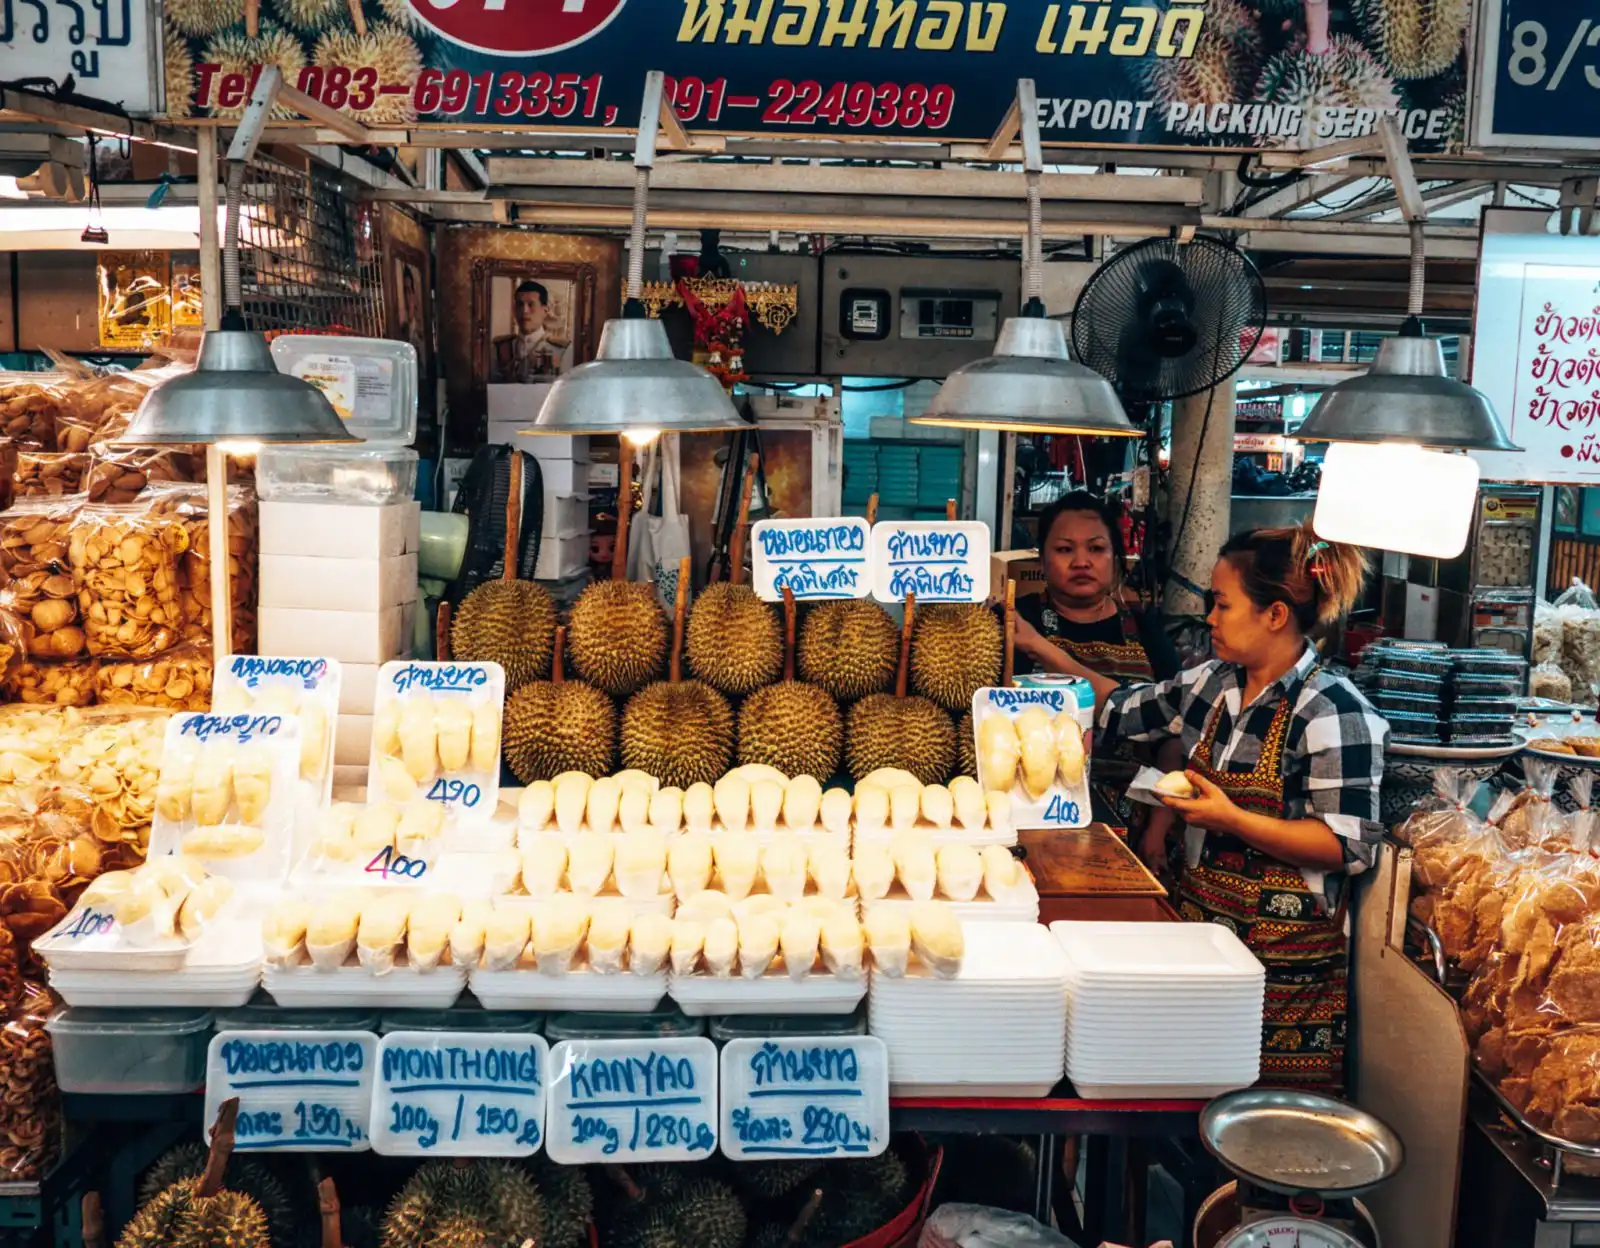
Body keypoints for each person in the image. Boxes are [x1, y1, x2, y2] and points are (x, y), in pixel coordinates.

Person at [1046, 522, 1386, 1093]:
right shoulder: (1213, 683)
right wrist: (1037, 660)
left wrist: (1232, 819)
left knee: (1269, 1137)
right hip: (1200, 946)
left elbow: (1346, 846)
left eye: (1222, 605)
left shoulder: (1333, 711)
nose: (1209, 617)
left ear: (1274, 615)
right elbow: (1121, 710)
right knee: (1184, 1110)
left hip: (1284, 974)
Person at [1009, 492, 1181, 827]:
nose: (1081, 561)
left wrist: (1158, 831)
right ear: (1041, 561)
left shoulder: (1144, 627)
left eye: (1096, 548)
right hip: (1035, 811)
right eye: (1064, 549)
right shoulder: (1018, 622)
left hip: (1137, 818)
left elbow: (1174, 730)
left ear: (1116, 560)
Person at [492, 279, 572, 382]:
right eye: (520, 305)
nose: (524, 311)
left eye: (531, 304)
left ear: (545, 310)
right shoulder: (500, 347)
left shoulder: (561, 350)